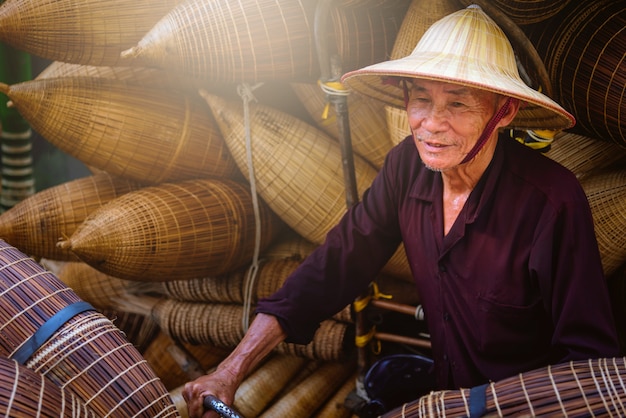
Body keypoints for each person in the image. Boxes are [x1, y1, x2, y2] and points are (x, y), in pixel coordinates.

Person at [183, 5, 620, 417]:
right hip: (442, 393)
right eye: (421, 99)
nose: (431, 123)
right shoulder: (406, 166)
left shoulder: (550, 202)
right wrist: (229, 371)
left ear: (503, 112)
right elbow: (338, 261)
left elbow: (586, 363)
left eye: (458, 103)